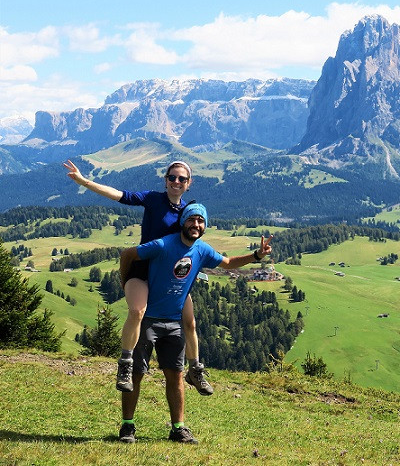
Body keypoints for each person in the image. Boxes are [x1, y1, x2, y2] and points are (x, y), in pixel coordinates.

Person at [117, 203, 272, 443]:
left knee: (175, 376)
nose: (196, 225)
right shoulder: (163, 244)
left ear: (205, 226)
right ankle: (128, 426)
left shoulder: (202, 250)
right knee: (135, 375)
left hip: (174, 321)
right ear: (183, 222)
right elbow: (128, 254)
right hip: (147, 320)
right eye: (192, 220)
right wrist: (126, 282)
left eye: (201, 221)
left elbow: (228, 263)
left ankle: (178, 428)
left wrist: (256, 256)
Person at [63, 159, 213, 395]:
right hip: (143, 271)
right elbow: (119, 195)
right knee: (137, 312)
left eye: (181, 179)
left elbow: (192, 240)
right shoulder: (153, 199)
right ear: (165, 180)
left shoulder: (187, 212)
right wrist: (84, 181)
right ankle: (125, 364)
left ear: (188, 184)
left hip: (170, 277)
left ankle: (195, 370)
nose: (176, 182)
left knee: (190, 321)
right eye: (172, 177)